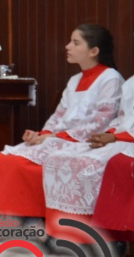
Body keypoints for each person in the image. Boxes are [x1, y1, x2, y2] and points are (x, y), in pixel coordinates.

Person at [0, 24, 123, 235]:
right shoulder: (75, 79)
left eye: (75, 43)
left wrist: (56, 137)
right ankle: (17, 227)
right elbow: (58, 115)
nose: (67, 46)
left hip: (85, 143)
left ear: (94, 51)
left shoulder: (110, 78)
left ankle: (34, 226)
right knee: (6, 161)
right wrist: (41, 134)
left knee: (28, 164)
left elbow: (102, 121)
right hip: (60, 139)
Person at [41, 73, 134, 245]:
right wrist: (107, 134)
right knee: (59, 158)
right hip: (119, 137)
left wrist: (115, 138)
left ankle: (96, 238)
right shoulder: (131, 84)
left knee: (93, 164)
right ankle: (60, 232)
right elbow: (121, 120)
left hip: (128, 141)